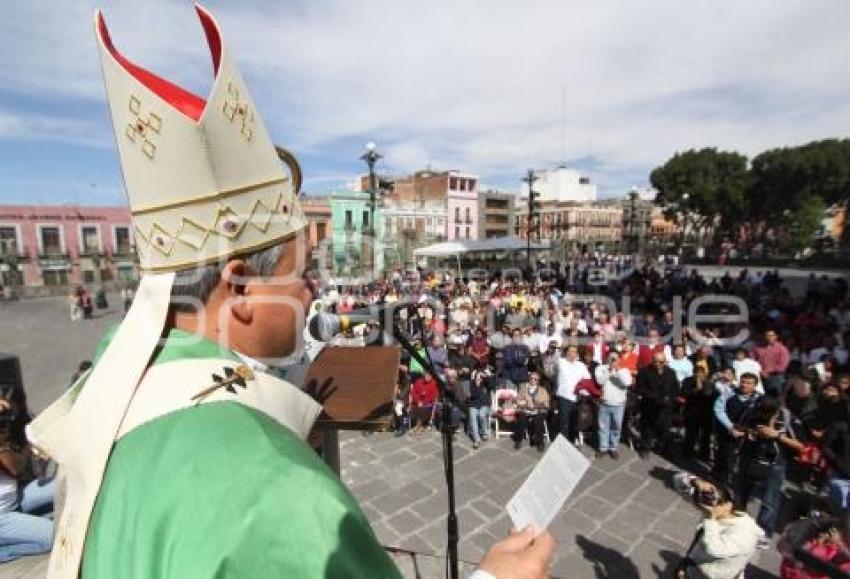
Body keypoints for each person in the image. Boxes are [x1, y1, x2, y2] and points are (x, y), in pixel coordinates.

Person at [28, 7, 555, 579]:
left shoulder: (112, 391)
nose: (314, 290)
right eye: (301, 272)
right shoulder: (275, 492)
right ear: (242, 286)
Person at [735, 396, 804, 548]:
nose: (763, 416)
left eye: (767, 413)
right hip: (749, 457)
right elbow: (737, 428)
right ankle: (735, 522)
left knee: (769, 500)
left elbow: (800, 446)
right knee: (740, 494)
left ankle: (763, 532)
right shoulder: (751, 412)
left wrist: (777, 435)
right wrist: (749, 433)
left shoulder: (787, 418)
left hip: (775, 463)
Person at [0, 385, 54, 563]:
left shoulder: (10, 427)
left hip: (16, 499)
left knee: (65, 483)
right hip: (2, 518)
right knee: (56, 535)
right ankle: (5, 549)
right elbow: (14, 466)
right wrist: (28, 448)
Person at [676, 478, 764, 579]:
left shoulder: (744, 531)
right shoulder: (716, 509)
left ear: (728, 505)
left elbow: (714, 549)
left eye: (709, 505)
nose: (705, 508)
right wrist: (695, 482)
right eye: (701, 505)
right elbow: (677, 482)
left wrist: (711, 519)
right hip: (696, 565)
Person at [713, 373, 761, 485]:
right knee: (724, 455)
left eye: (748, 383)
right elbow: (718, 409)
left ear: (755, 386)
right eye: (742, 382)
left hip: (747, 434)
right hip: (727, 431)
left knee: (741, 460)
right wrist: (730, 427)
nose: (744, 385)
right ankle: (720, 479)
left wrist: (751, 431)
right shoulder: (729, 393)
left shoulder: (758, 399)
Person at [635, 352, 680, 454]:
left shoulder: (671, 372)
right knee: (647, 428)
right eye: (655, 361)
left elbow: (675, 389)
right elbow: (640, 388)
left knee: (664, 428)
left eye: (660, 362)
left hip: (665, 407)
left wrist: (670, 398)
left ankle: (662, 448)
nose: (657, 364)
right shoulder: (644, 371)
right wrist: (654, 397)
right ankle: (645, 448)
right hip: (649, 405)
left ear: (665, 362)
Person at [595, 351, 632, 459]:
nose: (613, 360)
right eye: (611, 358)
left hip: (619, 404)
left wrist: (617, 370)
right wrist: (610, 370)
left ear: (619, 359)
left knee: (616, 427)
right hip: (604, 403)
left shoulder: (624, 370)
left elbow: (627, 382)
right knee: (603, 427)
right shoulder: (601, 368)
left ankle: (613, 448)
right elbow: (600, 381)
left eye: (615, 358)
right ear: (607, 358)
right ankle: (603, 448)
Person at [555, 345, 591, 442]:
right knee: (564, 422)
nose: (572, 353)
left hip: (578, 398)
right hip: (564, 396)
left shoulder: (580, 365)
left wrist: (583, 391)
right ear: (566, 352)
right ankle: (563, 443)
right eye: (570, 351)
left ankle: (571, 441)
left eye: (574, 351)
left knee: (575, 421)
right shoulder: (560, 362)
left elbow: (587, 379)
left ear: (577, 354)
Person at [682, 365, 715, 462]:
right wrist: (696, 388)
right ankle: (688, 452)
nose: (699, 376)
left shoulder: (709, 382)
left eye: (701, 375)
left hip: (706, 412)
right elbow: (685, 394)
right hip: (692, 411)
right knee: (691, 434)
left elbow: (709, 394)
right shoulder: (687, 381)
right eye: (697, 374)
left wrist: (702, 387)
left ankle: (704, 454)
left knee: (706, 435)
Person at [512, 372, 551, 452]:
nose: (533, 380)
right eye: (531, 378)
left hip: (539, 410)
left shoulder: (542, 390)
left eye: (535, 379)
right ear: (529, 379)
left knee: (538, 420)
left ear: (538, 381)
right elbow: (518, 400)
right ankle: (518, 440)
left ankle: (540, 442)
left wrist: (537, 405)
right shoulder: (524, 389)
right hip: (526, 410)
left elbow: (546, 404)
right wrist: (523, 403)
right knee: (521, 419)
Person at [752, 329, 791, 397]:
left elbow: (783, 366)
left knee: (775, 394)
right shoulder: (757, 348)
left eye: (771, 335)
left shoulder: (782, 349)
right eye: (767, 336)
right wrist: (761, 371)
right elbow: (752, 362)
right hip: (760, 375)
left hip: (776, 376)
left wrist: (768, 371)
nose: (769, 337)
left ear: (776, 336)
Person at [467, 370, 492, 450]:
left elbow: (492, 385)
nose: (480, 379)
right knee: (473, 418)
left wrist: (488, 376)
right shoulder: (472, 384)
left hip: (484, 405)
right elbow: (474, 395)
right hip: (473, 405)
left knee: (481, 415)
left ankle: (484, 432)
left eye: (481, 377)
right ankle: (476, 440)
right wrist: (476, 383)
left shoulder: (486, 383)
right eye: (478, 377)